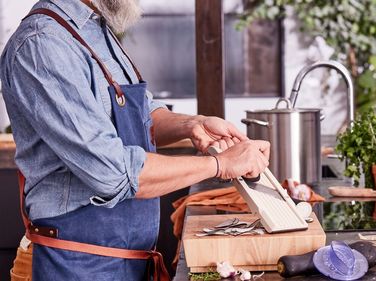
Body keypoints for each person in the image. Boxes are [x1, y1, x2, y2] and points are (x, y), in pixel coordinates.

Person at [0, 0, 270, 280]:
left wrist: (192, 125)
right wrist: (221, 165)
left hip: (125, 262)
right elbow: (112, 173)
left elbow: (140, 117)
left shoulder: (94, 30)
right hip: (74, 265)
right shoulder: (43, 45)